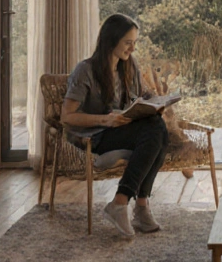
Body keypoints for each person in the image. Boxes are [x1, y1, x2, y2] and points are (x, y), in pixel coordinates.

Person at [61, 14, 169, 238]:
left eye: (134, 43)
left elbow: (144, 95)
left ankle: (129, 204)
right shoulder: (85, 71)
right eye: (128, 43)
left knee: (157, 126)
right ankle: (133, 205)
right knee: (157, 131)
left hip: (121, 129)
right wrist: (105, 120)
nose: (132, 49)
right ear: (111, 40)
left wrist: (158, 102)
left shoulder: (128, 66)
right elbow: (67, 116)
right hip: (96, 135)